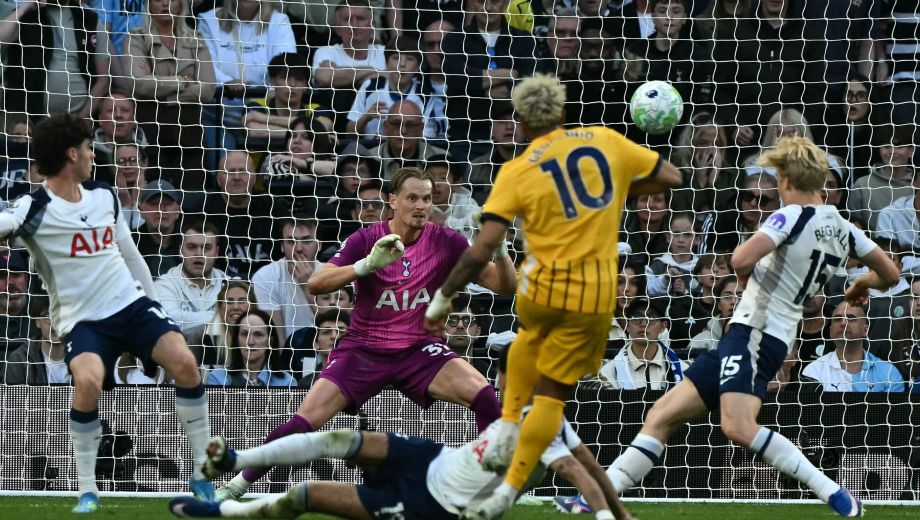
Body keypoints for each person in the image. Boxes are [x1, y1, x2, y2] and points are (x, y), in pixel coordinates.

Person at [558, 136, 902, 518]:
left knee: (738, 426)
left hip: (755, 334)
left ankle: (834, 492)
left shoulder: (788, 215)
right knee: (661, 415)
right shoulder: (844, 228)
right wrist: (860, 284)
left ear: (786, 180)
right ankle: (597, 498)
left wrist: (750, 268)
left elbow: (739, 259)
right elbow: (889, 272)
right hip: (755, 335)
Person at [424, 74, 682, 520]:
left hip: (538, 292)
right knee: (550, 402)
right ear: (563, 114)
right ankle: (508, 492)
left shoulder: (516, 170)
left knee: (522, 381)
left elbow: (481, 250)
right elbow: (672, 176)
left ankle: (606, 507)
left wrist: (443, 298)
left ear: (521, 123)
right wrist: (616, 183)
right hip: (591, 299)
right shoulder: (606, 141)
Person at [214, 167, 518, 501]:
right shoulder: (367, 239)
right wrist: (365, 266)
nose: (421, 206)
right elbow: (316, 284)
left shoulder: (446, 241)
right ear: (392, 201)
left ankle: (486, 486)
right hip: (363, 349)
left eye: (427, 199)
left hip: (419, 350)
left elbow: (505, 286)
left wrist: (500, 249)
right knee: (306, 420)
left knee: (485, 396)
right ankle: (237, 484)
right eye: (412, 198)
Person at [0, 114, 215, 512]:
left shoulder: (104, 196)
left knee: (185, 363)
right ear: (71, 154)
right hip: (82, 319)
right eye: (86, 149)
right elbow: (8, 220)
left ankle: (202, 473)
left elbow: (131, 256)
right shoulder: (35, 207)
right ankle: (87, 489)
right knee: (88, 383)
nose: (92, 157)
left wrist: (153, 305)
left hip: (131, 306)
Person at [168, 346, 637, 520]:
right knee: (342, 437)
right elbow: (592, 468)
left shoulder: (544, 425)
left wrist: (608, 516)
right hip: (434, 458)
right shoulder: (542, 411)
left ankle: (224, 511)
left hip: (430, 505)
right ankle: (237, 462)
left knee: (306, 495)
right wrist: (620, 514)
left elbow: (581, 470)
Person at [801, 302, 905, 392]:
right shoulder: (814, 371)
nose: (843, 323)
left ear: (865, 330)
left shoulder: (889, 374)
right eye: (837, 319)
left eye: (851, 318)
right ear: (830, 331)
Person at [206, 309, 296, 387]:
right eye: (244, 334)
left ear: (270, 342)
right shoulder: (217, 379)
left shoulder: (287, 382)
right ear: (237, 340)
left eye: (258, 335)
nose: (250, 342)